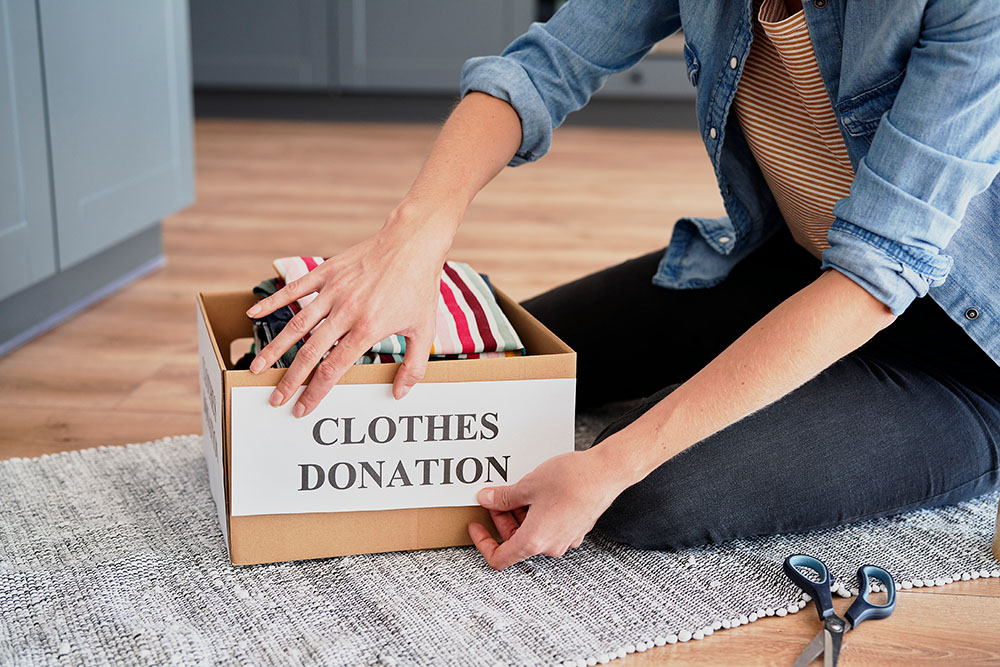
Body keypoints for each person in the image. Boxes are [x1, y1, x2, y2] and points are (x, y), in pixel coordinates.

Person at [247, 0, 1000, 570]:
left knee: (639, 492)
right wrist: (411, 238)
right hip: (792, 270)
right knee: (509, 371)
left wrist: (614, 462)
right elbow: (543, 65)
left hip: (959, 352)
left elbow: (879, 270)